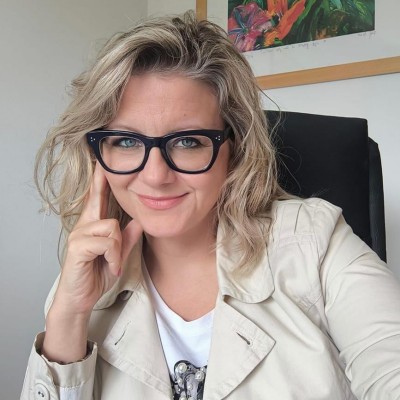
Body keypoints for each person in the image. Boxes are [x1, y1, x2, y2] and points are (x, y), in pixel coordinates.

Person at [21, 11, 400, 400]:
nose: (155, 175)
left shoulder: (314, 242)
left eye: (188, 142)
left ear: (234, 148)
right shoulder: (85, 274)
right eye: (126, 141)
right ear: (98, 155)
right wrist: (69, 315)